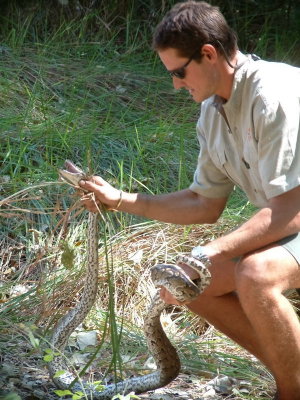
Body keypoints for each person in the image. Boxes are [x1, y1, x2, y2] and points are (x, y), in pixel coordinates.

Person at [79, 2, 300, 399]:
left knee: (256, 274)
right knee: (188, 286)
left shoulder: (274, 95)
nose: (176, 85)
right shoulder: (212, 114)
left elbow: (290, 210)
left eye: (179, 72)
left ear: (209, 54)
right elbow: (204, 202)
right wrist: (120, 200)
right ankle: (294, 374)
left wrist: (206, 252)